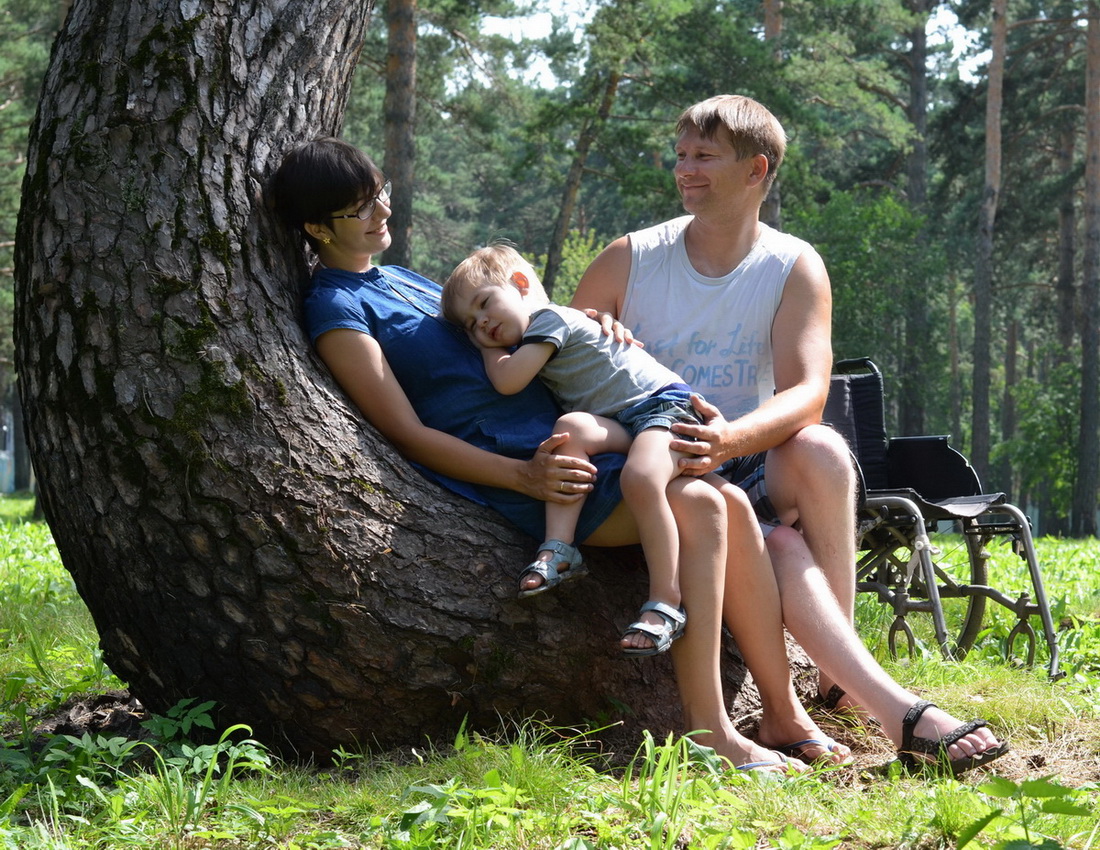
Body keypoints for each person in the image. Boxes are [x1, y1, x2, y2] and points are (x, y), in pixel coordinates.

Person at [270, 136, 852, 774]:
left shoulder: (404, 279)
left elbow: (523, 330)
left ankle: (780, 712)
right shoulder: (337, 309)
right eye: (360, 208)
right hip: (525, 468)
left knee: (730, 502)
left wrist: (600, 334)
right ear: (315, 227)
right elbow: (405, 433)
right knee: (710, 509)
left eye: (379, 192)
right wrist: (523, 474)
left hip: (576, 439)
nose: (382, 211)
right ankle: (710, 729)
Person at [571, 94, 1010, 773]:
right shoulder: (629, 259)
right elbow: (560, 366)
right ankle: (890, 711)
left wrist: (730, 441)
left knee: (823, 450)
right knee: (773, 537)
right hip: (652, 461)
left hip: (738, 452)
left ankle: (836, 680)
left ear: (756, 170)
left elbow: (807, 392)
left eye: (705, 157)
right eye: (682, 155)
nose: (685, 170)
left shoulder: (792, 263)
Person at [442, 243, 712, 656]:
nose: (483, 323)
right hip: (628, 419)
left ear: (519, 284)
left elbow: (508, 381)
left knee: (639, 477)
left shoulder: (549, 320)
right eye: (472, 324)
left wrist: (486, 349)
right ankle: (560, 548)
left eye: (485, 304)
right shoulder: (539, 333)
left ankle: (666, 603)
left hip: (666, 408)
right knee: (569, 432)